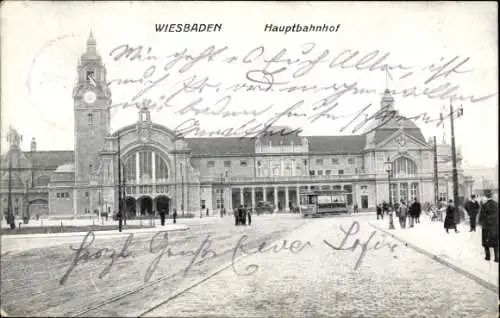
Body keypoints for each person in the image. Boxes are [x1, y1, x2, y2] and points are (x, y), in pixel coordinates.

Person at [478, 190, 498, 262]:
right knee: (496, 243)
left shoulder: (484, 205)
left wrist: (482, 224)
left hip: (486, 227)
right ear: (491, 196)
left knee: (486, 243)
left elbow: (480, 218)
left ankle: (487, 257)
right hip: (495, 227)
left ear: (486, 196)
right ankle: (496, 258)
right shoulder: (496, 204)